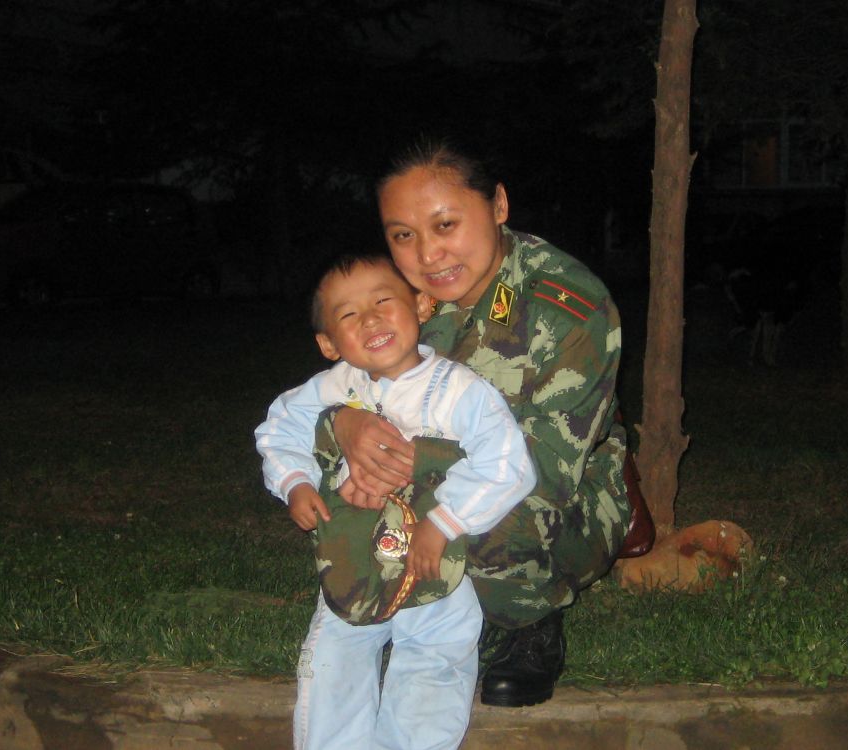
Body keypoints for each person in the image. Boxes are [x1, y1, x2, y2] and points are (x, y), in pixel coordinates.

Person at [317, 135, 633, 707]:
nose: (428, 255)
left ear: (499, 205)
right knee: (336, 481)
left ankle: (527, 623)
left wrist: (412, 464)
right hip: (431, 470)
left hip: (560, 498)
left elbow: (543, 474)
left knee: (487, 517)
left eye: (445, 225)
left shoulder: (568, 307)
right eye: (403, 236)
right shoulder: (402, 299)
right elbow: (346, 382)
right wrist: (345, 424)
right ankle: (418, 603)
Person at [255, 252, 537, 750]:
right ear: (328, 343)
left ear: (421, 305)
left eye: (384, 301)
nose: (370, 319)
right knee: (335, 660)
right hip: (355, 558)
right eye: (348, 314)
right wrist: (295, 481)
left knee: (435, 662)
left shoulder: (459, 390)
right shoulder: (334, 386)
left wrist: (444, 521)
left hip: (437, 560)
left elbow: (506, 462)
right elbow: (280, 426)